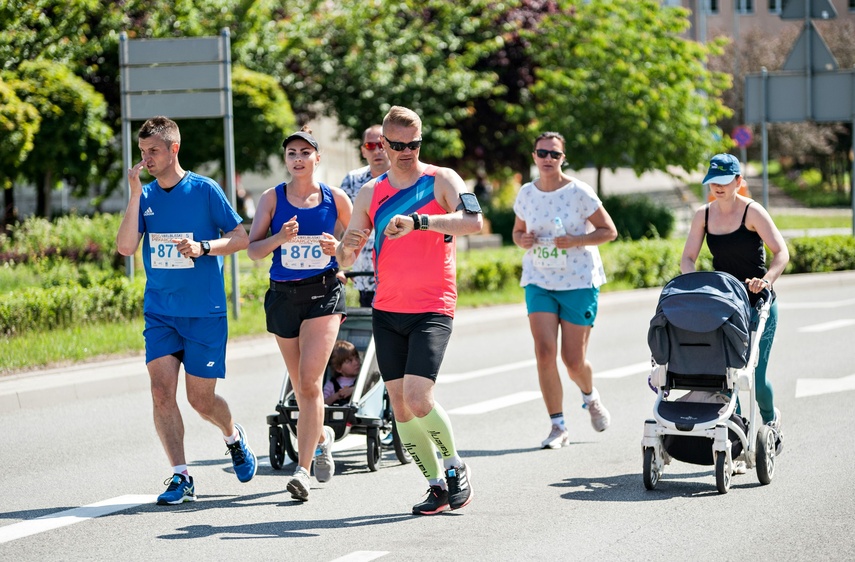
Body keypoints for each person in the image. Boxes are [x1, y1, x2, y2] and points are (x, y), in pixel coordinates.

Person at [336, 105, 482, 515]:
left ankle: (456, 466)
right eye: (396, 145)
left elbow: (474, 221)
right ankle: (436, 484)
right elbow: (348, 255)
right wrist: (346, 248)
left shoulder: (442, 179)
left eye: (413, 144)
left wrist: (420, 222)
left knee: (419, 397)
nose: (405, 151)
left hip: (433, 305)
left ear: (420, 142)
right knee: (399, 405)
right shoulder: (370, 191)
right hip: (387, 308)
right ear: (382, 144)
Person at [115, 116, 256, 506]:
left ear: (174, 149)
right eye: (142, 153)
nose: (147, 160)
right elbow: (126, 247)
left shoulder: (205, 190)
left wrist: (203, 248)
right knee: (161, 392)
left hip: (204, 312)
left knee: (200, 401)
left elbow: (241, 237)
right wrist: (133, 195)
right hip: (160, 311)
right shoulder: (145, 197)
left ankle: (232, 435)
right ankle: (181, 476)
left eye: (154, 151)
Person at [246, 127, 352, 501]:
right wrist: (279, 238)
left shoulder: (335, 199)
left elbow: (357, 244)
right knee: (302, 389)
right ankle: (322, 436)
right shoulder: (271, 199)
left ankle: (302, 472)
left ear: (317, 159)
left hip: (324, 293)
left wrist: (337, 247)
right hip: (282, 298)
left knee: (309, 383)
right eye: (292, 152)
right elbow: (253, 250)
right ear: (286, 159)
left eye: (305, 152)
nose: (298, 158)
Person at [511, 131, 618, 450]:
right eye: (542, 153)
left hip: (578, 281)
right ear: (534, 156)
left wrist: (576, 240)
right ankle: (558, 426)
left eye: (554, 155)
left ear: (562, 158)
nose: (547, 159)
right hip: (539, 280)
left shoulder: (579, 192)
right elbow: (517, 232)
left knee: (573, 361)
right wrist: (523, 240)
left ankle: (590, 396)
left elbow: (608, 231)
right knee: (544, 352)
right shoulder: (527, 193)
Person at [681, 153, 787, 454]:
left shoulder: (753, 212)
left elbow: (781, 253)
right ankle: (737, 441)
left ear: (739, 181)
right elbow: (687, 258)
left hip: (757, 302)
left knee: (755, 374)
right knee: (728, 374)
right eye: (713, 181)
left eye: (725, 181)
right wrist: (695, 284)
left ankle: (770, 421)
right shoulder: (703, 214)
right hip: (724, 305)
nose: (718, 187)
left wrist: (765, 281)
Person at [339, 125, 391, 307]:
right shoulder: (352, 181)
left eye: (381, 144)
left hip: (399, 272)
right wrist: (338, 264)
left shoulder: (405, 179)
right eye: (370, 146)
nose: (377, 150)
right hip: (365, 274)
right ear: (363, 150)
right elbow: (339, 225)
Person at [324, 340, 360, 406]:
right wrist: (337, 395)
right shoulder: (331, 384)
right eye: (349, 361)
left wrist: (352, 390)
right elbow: (323, 402)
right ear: (338, 368)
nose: (356, 362)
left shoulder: (361, 380)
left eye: (356, 358)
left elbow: (368, 392)